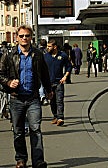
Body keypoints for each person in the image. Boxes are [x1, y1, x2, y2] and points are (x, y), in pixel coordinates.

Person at [0, 24, 53, 168]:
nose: (24, 38)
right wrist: (9, 82)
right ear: (17, 38)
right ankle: (21, 160)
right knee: (18, 131)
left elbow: (44, 74)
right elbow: (0, 74)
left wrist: (48, 90)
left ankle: (38, 161)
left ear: (31, 37)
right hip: (16, 98)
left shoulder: (37, 54)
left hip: (33, 98)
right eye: (21, 36)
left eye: (27, 36)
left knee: (36, 129)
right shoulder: (9, 55)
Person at [44, 39, 72, 127]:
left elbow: (69, 66)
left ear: (55, 47)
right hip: (49, 83)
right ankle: (55, 116)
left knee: (59, 100)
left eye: (49, 46)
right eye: (47, 46)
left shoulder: (62, 55)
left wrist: (65, 77)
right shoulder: (45, 56)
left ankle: (60, 118)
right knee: (52, 101)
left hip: (59, 82)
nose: (47, 48)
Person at [38, 39, 49, 106]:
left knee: (40, 83)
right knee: (46, 82)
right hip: (47, 68)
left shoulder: (37, 51)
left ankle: (42, 96)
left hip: (39, 69)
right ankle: (45, 96)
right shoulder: (47, 51)